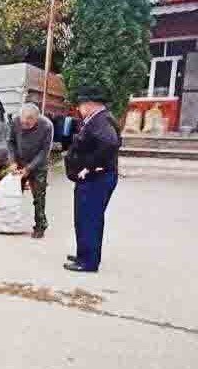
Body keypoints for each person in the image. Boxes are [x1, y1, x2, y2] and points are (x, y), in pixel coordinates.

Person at [64, 86, 121, 273]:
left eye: (80, 105)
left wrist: (89, 166)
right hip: (93, 179)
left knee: (89, 219)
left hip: (96, 179)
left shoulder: (101, 120)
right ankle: (84, 254)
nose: (79, 109)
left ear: (89, 105)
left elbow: (111, 143)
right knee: (83, 218)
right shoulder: (98, 119)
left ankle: (88, 262)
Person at [7, 103, 54, 239]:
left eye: (28, 124)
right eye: (23, 122)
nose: (24, 126)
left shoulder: (47, 126)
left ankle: (40, 226)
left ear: (37, 119)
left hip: (38, 166)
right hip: (19, 162)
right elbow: (10, 142)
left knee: (39, 197)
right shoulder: (15, 121)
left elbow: (44, 152)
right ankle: (11, 222)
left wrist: (29, 169)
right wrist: (12, 161)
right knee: (13, 194)